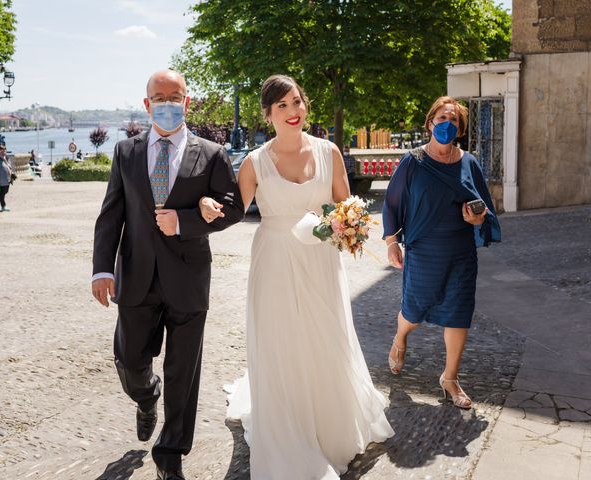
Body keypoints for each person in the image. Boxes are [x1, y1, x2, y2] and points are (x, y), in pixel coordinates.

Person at [199, 74, 394, 479]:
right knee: (281, 340)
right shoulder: (255, 162)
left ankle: (330, 424)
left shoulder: (329, 153)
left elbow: (347, 205)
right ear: (268, 114)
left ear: (306, 105)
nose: (292, 112)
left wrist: (342, 224)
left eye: (297, 102)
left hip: (320, 262)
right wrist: (202, 206)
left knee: (325, 335)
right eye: (282, 106)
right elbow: (233, 209)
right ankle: (287, 427)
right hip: (274, 261)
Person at [91, 70, 244, 480]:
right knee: (129, 360)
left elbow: (233, 208)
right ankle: (146, 396)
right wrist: (102, 269)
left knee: (183, 371)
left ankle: (170, 452)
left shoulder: (211, 153)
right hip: (136, 275)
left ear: (187, 101)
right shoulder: (125, 152)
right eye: (159, 97)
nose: (167, 103)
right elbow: (111, 215)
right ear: (146, 104)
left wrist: (190, 220)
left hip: (189, 279)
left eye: (175, 96)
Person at [382, 96, 501, 409]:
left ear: (460, 129)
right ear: (430, 122)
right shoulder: (413, 161)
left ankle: (450, 378)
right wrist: (392, 241)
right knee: (414, 311)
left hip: (460, 250)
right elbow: (392, 203)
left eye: (454, 121)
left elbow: (484, 207)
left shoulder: (469, 163)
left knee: (458, 314)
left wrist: (477, 218)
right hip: (423, 248)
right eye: (442, 118)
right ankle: (400, 338)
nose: (447, 124)